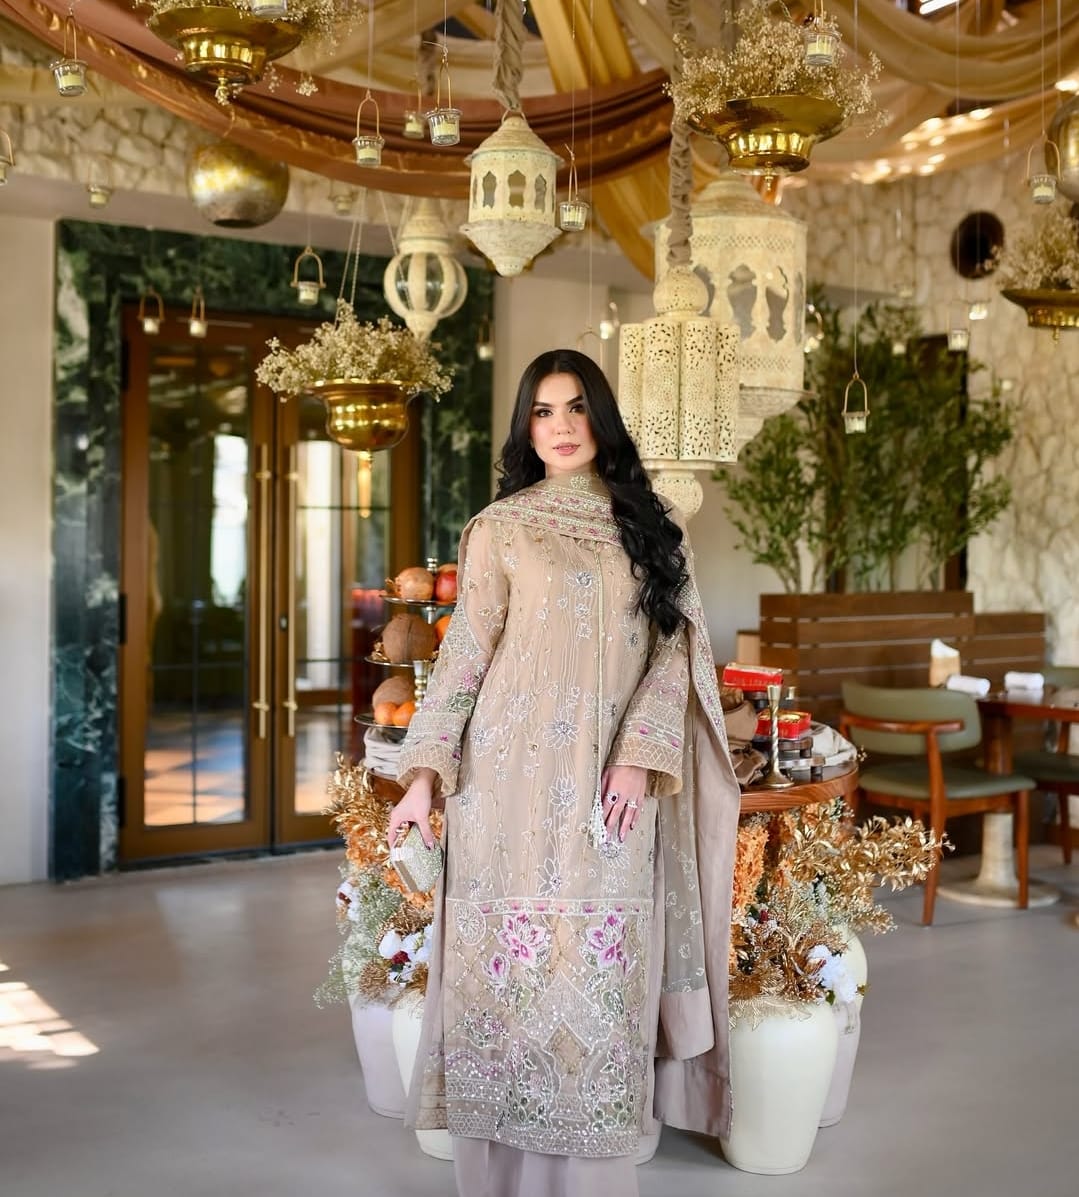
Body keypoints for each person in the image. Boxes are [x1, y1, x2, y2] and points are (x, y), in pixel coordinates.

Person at [388, 349, 740, 1197]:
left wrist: (638, 759)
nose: (561, 426)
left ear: (600, 418)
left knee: (595, 975)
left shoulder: (650, 524)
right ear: (526, 426)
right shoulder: (499, 527)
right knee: (504, 980)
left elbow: (676, 653)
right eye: (543, 411)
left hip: (606, 790)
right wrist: (423, 774)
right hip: (501, 791)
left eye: (576, 407)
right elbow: (465, 655)